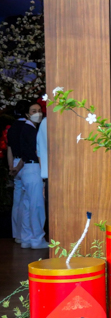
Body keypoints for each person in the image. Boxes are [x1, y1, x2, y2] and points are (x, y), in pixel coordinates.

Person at [17, 103, 48, 249]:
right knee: (36, 206)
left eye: (40, 110)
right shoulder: (31, 129)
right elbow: (37, 152)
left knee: (27, 206)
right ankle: (37, 239)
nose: (38, 113)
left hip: (27, 169)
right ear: (27, 114)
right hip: (34, 168)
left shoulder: (28, 128)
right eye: (34, 111)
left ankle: (27, 238)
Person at [6, 101, 28, 244]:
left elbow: (9, 149)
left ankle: (16, 234)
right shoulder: (29, 127)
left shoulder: (12, 128)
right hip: (25, 164)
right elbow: (28, 150)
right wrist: (19, 167)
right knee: (27, 202)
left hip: (14, 162)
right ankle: (25, 235)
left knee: (17, 201)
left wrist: (11, 167)